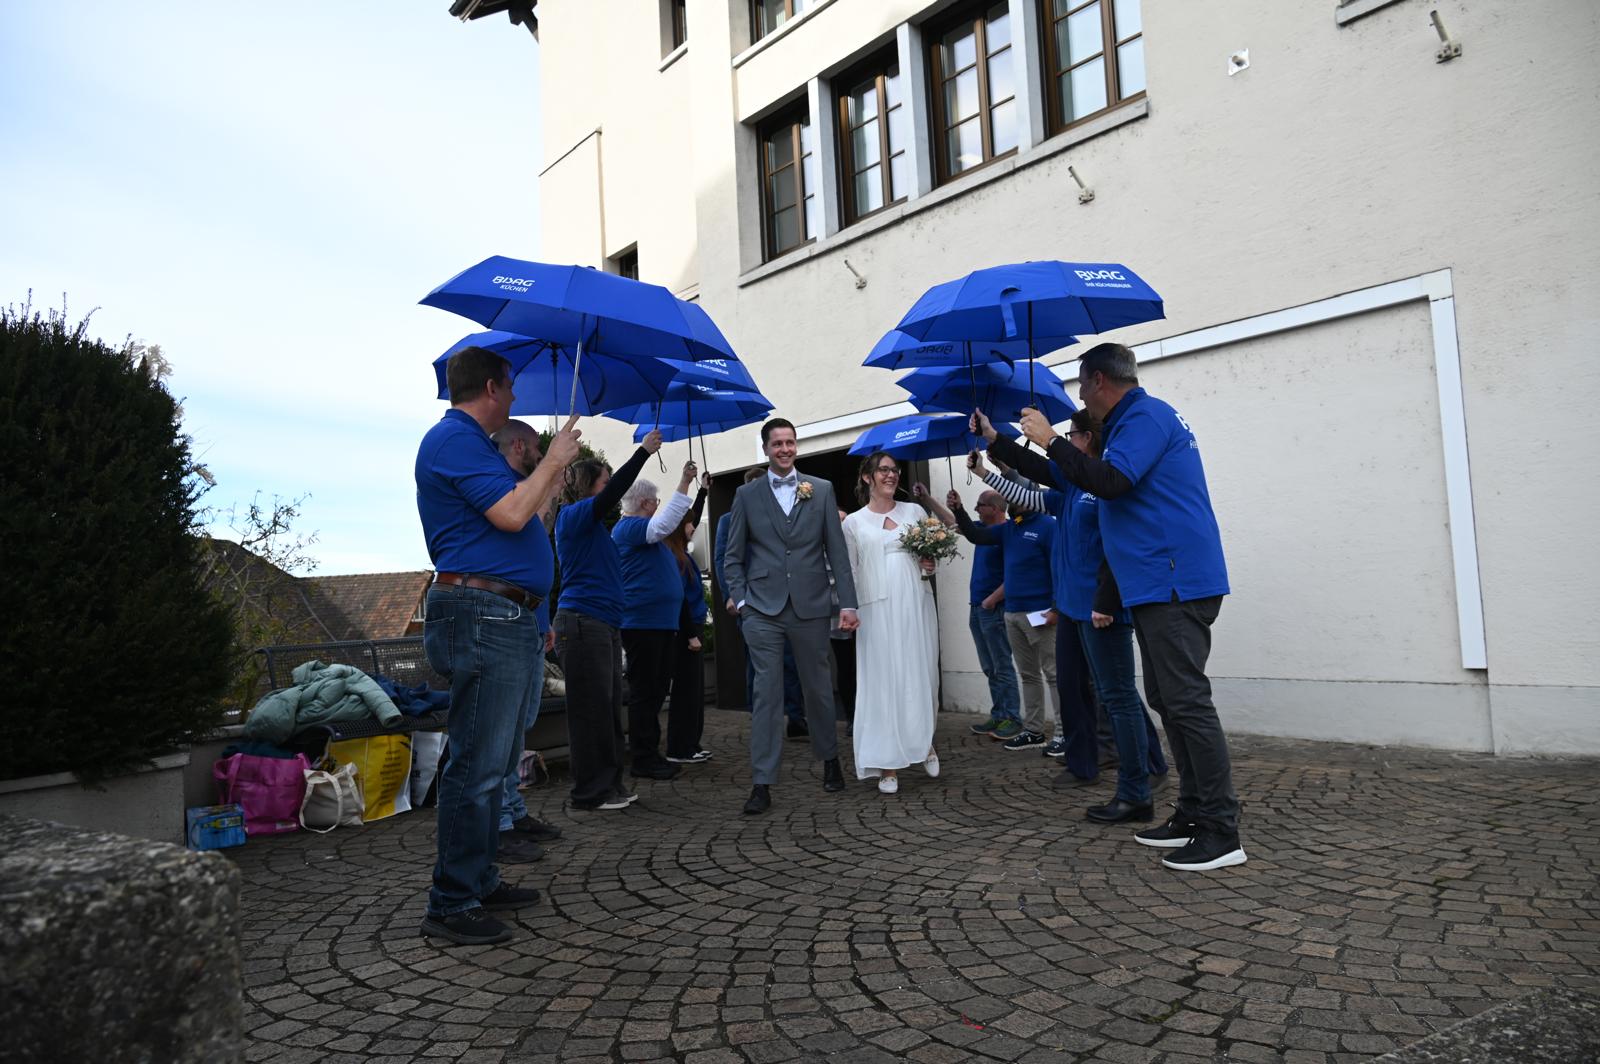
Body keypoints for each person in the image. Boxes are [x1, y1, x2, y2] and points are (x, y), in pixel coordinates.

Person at [973, 340, 1246, 872]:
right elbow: (1068, 478)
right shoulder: (1128, 425)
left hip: (1174, 581)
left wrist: (1051, 440)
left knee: (1186, 701)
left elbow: (1111, 482)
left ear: (1098, 380)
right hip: (1151, 583)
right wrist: (1000, 442)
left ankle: (1221, 827)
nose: (1079, 396)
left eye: (1080, 385)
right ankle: (1192, 812)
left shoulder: (1145, 416)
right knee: (1166, 700)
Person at [414, 345, 582, 946]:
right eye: (509, 388)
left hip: (502, 615)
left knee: (494, 760)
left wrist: (550, 477)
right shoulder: (453, 439)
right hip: (483, 615)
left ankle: (479, 878)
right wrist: (552, 458)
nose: (514, 399)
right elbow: (512, 515)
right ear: (490, 387)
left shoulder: (470, 447)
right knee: (477, 766)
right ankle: (452, 900)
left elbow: (522, 518)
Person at [972, 415, 1170, 819]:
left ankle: (1149, 767)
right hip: (1070, 608)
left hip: (1100, 609)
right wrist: (993, 442)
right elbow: (1031, 482)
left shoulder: (1105, 486)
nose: (1066, 441)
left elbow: (1120, 548)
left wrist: (1107, 600)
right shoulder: (1071, 486)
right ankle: (1084, 764)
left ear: (1088, 439)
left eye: (1071, 436)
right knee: (1074, 689)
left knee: (1117, 695)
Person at [722, 418, 858, 814]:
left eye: (790, 442)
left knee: (818, 688)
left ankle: (830, 760)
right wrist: (743, 602)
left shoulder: (821, 490)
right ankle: (762, 781)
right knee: (767, 694)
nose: (785, 449)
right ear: (765, 449)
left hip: (812, 606)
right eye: (777, 443)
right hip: (762, 610)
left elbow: (838, 554)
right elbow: (733, 557)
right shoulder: (747, 495)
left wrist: (847, 604)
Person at [553, 428, 666, 812]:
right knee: (590, 713)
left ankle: (610, 784)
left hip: (601, 624)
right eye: (602, 480)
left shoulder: (594, 527)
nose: (609, 490)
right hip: (583, 624)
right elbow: (613, 492)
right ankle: (590, 791)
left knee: (607, 708)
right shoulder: (573, 517)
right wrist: (643, 453)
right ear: (589, 487)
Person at [487, 419, 565, 863]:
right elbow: (522, 527)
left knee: (519, 728)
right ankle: (498, 823)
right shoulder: (505, 487)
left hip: (533, 622)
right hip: (507, 624)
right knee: (502, 734)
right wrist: (550, 475)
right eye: (537, 446)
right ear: (519, 446)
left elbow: (539, 537)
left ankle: (514, 812)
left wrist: (544, 618)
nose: (540, 450)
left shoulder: (528, 485)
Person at [843, 454, 943, 794]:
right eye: (883, 470)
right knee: (882, 681)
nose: (891, 475)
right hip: (875, 610)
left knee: (919, 672)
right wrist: (848, 609)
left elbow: (928, 564)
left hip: (915, 602)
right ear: (868, 477)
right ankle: (887, 762)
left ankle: (923, 743)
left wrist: (929, 566)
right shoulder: (853, 523)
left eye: (894, 469)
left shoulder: (914, 513)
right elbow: (850, 572)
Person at [939, 488, 1058, 751]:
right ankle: (1034, 731)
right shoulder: (1011, 527)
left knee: (1053, 674)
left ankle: (1063, 733)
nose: (1010, 500)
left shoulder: (1048, 525)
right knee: (1028, 675)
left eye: (1014, 496)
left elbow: (1058, 566)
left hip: (1040, 613)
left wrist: (1057, 607)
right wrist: (958, 508)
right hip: (1013, 613)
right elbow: (975, 534)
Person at [613, 461, 698, 780]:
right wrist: (685, 482)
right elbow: (664, 525)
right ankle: (644, 758)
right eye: (656, 501)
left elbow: (667, 526)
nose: (659, 506)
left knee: (655, 689)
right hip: (642, 624)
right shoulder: (630, 527)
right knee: (646, 692)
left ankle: (649, 753)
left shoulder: (644, 532)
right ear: (645, 503)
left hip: (657, 624)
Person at [714, 468, 807, 731]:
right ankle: (761, 717)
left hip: (785, 598)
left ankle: (796, 716)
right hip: (751, 600)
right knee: (757, 661)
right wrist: (732, 596)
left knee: (790, 659)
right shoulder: (728, 520)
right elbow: (723, 559)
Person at [957, 483, 1023, 741]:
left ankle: (1012, 718)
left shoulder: (1007, 534)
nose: (976, 509)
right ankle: (999, 714)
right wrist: (928, 498)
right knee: (989, 666)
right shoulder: (982, 531)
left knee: (1002, 665)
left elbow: (1015, 574)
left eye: (980, 505)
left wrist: (992, 600)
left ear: (994, 509)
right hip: (978, 608)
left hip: (993, 608)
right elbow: (954, 521)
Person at [663, 475, 713, 764]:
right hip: (685, 630)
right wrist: (690, 633)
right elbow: (679, 597)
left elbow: (689, 514)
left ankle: (691, 743)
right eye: (690, 524)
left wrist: (703, 491)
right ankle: (680, 746)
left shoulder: (681, 552)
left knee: (694, 691)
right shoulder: (674, 556)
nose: (694, 527)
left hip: (692, 625)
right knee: (685, 690)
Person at [829, 509, 857, 735]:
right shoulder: (822, 545)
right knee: (846, 666)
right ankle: (852, 716)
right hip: (835, 617)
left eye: (844, 520)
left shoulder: (857, 539)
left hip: (864, 612)